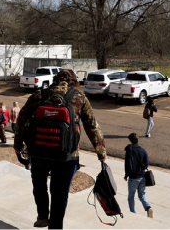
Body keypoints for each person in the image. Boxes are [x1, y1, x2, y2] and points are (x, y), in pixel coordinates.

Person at [14, 69, 106, 229]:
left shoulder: (38, 95)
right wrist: (101, 153)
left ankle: (42, 216)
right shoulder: (79, 98)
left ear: (55, 80)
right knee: (59, 193)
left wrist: (18, 146)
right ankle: (55, 227)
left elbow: (22, 120)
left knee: (39, 185)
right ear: (73, 82)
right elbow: (92, 126)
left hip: (38, 151)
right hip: (67, 155)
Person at [124, 133, 153, 218]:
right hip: (142, 177)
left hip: (133, 178)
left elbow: (128, 165)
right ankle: (148, 208)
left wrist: (126, 175)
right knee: (141, 195)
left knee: (131, 197)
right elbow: (146, 164)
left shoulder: (129, 151)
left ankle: (133, 213)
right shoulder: (143, 150)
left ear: (130, 140)